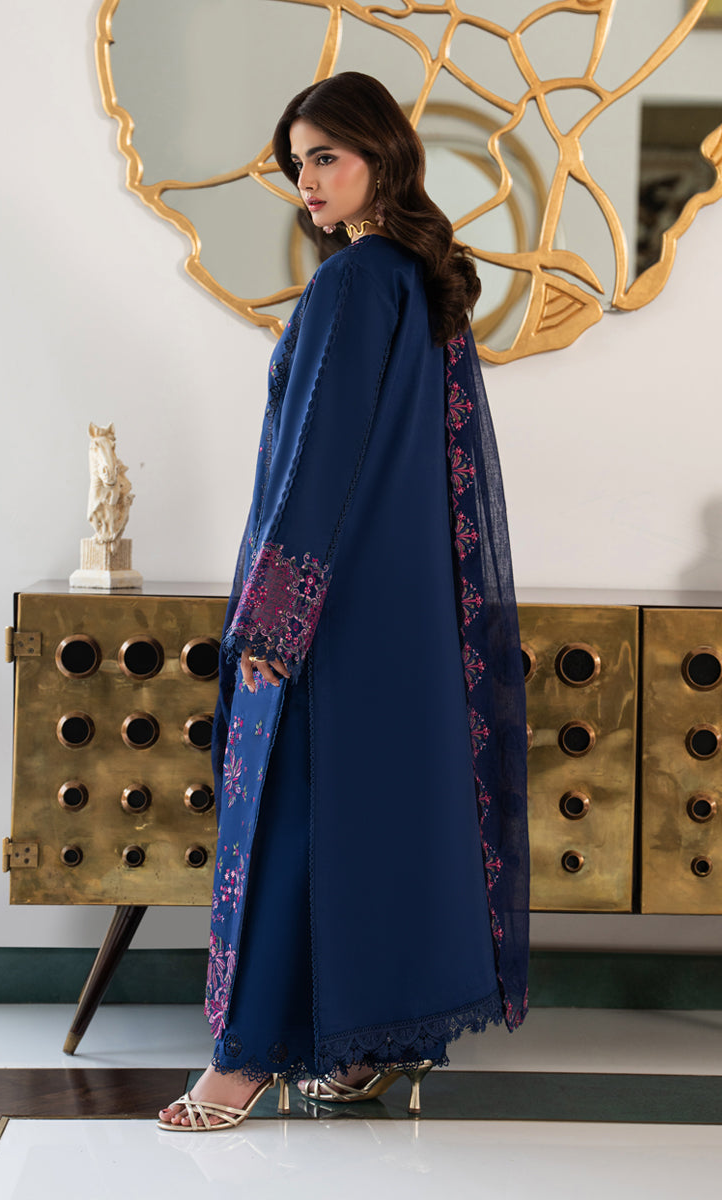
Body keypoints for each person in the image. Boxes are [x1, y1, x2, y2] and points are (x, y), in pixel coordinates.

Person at [159, 71, 529, 1132]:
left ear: (381, 155)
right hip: (404, 610)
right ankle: (369, 1047)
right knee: (377, 822)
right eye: (297, 164)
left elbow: (317, 461)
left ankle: (242, 1063)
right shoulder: (419, 280)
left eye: (325, 156)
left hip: (330, 610)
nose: (307, 182)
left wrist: (274, 619)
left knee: (290, 816)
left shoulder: (354, 281)